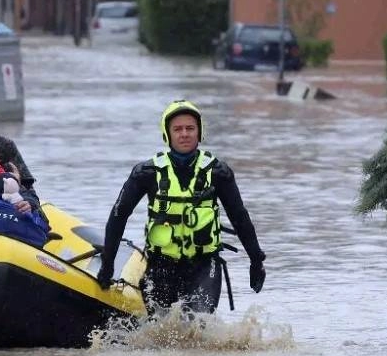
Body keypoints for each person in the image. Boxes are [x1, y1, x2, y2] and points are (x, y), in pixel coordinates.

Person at [97, 99, 267, 316]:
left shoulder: (218, 173)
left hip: (204, 265)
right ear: (167, 134)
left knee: (197, 323)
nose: (184, 134)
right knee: (162, 328)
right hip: (161, 266)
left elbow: (240, 218)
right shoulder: (146, 173)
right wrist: (108, 265)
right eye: (177, 129)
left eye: (190, 128)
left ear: (200, 132)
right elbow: (118, 216)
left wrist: (256, 260)